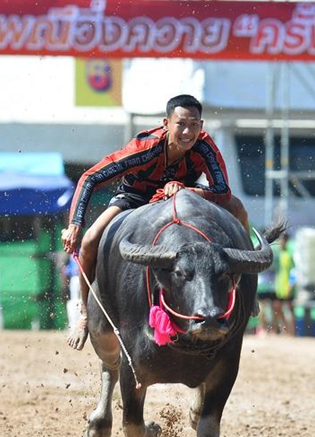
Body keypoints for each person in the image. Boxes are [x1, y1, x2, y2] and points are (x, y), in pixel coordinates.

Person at [61, 94, 250, 350]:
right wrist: (75, 224)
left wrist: (190, 191)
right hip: (135, 197)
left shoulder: (204, 147)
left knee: (237, 206)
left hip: (182, 195)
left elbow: (222, 190)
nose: (187, 132)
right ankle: (84, 313)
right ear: (166, 123)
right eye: (180, 124)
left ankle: (248, 277)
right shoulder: (144, 148)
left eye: (194, 125)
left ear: (201, 125)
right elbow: (90, 177)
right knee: (91, 239)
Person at [272, 233, 296, 337]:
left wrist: (291, 284)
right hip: (280, 286)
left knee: (290, 309)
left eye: (282, 240)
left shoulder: (290, 254)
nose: (280, 243)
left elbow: (294, 271)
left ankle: (292, 332)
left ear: (286, 241)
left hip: (288, 286)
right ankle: (285, 329)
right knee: (277, 307)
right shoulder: (278, 254)